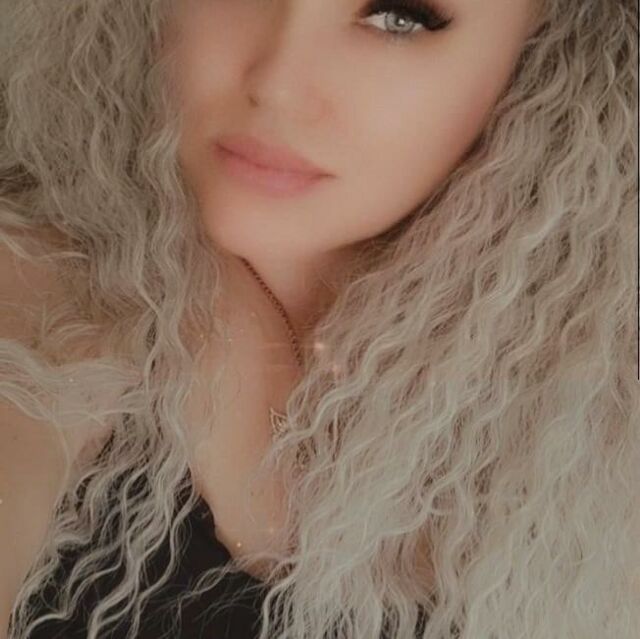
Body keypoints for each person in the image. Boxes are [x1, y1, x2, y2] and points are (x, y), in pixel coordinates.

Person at [0, 0, 637, 637]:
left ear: (549, 48)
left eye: (398, 17)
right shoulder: (46, 290)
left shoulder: (591, 413)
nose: (276, 83)